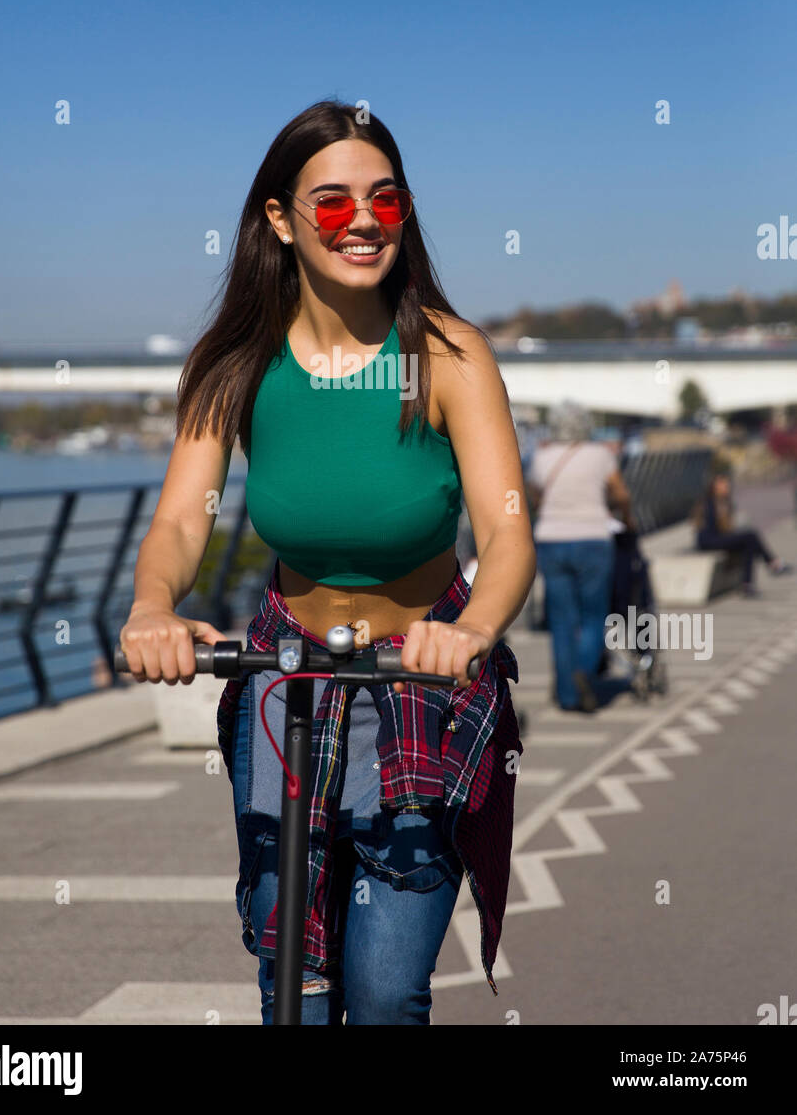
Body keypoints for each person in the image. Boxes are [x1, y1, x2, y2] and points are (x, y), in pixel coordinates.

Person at [117, 99, 536, 1025]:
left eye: (385, 200)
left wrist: (470, 631)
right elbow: (184, 521)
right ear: (280, 219)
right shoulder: (232, 365)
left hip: (423, 681)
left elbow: (507, 533)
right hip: (287, 678)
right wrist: (154, 604)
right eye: (333, 200)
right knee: (291, 986)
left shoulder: (451, 356)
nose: (362, 222)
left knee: (385, 991)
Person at [527, 402, 633, 713]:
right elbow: (621, 493)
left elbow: (534, 496)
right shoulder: (601, 455)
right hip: (592, 539)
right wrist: (625, 515)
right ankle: (583, 672)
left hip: (551, 539)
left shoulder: (541, 457)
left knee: (561, 620)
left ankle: (567, 696)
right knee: (593, 614)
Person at [693, 470, 792, 597]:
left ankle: (748, 584)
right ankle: (773, 564)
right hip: (708, 541)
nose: (726, 487)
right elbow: (710, 528)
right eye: (723, 485)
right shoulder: (708, 503)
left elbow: (726, 528)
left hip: (717, 538)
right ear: (714, 487)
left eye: (727, 484)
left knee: (749, 544)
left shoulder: (724, 502)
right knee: (750, 536)